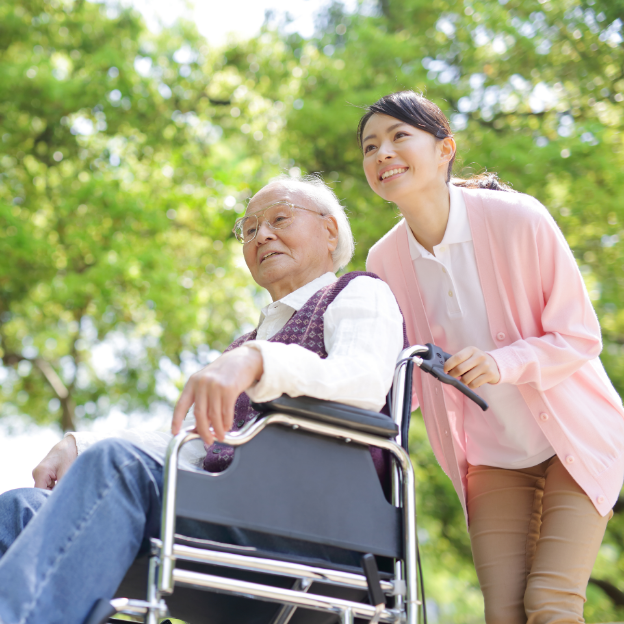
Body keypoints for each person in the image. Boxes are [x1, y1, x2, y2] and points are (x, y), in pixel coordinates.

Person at [0, 174, 405, 624]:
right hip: (227, 508)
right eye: (249, 229)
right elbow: (189, 442)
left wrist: (259, 362)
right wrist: (82, 446)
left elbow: (363, 381)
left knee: (121, 465)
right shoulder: (241, 344)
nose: (262, 235)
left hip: (318, 521)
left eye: (279, 219)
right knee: (19, 511)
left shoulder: (359, 292)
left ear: (329, 231)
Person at [359, 90, 624, 624]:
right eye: (369, 146)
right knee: (504, 614)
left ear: (444, 149)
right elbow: (402, 382)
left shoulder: (518, 219)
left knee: (550, 603)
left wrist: (503, 363)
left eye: (398, 136)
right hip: (490, 459)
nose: (382, 153)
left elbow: (579, 337)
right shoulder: (383, 261)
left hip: (576, 437)